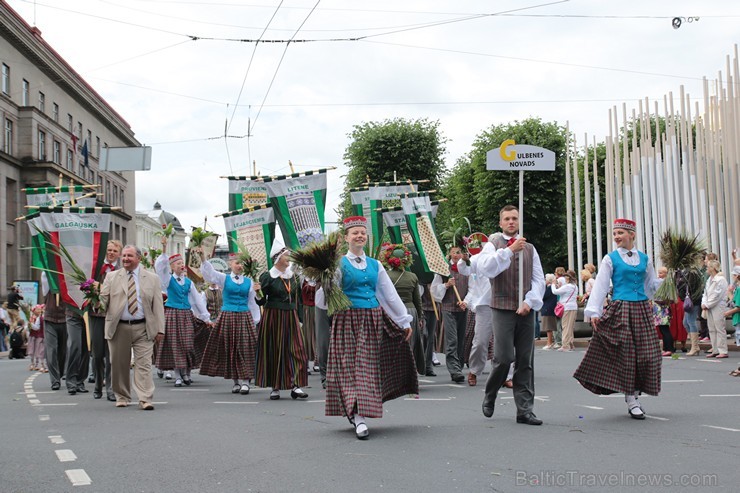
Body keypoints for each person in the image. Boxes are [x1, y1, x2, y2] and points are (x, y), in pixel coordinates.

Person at [324, 216, 417, 440]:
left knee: (366, 366)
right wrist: (323, 279)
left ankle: (359, 411)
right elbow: (324, 299)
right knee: (351, 367)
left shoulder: (375, 265)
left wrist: (403, 320)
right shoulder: (337, 265)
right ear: (346, 238)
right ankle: (357, 415)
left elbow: (388, 294)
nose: (359, 236)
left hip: (372, 318)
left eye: (362, 232)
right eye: (354, 232)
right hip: (347, 320)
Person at [574, 219, 662, 420]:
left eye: (620, 233)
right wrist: (594, 311)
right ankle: (631, 399)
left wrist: (668, 283)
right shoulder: (610, 258)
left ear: (632, 235)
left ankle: (635, 391)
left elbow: (651, 285)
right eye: (615, 234)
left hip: (642, 309)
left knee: (649, 355)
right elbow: (601, 285)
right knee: (626, 355)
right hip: (621, 308)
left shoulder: (645, 258)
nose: (616, 237)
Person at [476, 205, 545, 425]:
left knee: (525, 360)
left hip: (525, 309)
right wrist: (509, 250)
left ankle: (525, 409)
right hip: (501, 306)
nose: (511, 222)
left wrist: (530, 301)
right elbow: (487, 269)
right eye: (507, 218)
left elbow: (538, 279)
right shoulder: (492, 245)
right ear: (500, 223)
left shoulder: (530, 249)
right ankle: (491, 392)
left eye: (514, 218)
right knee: (504, 357)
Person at [99, 245, 165, 410]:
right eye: (124, 256)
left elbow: (158, 306)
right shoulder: (111, 277)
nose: (125, 259)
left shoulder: (152, 278)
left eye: (129, 256)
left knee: (143, 364)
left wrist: (160, 329)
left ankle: (145, 398)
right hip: (119, 327)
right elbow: (103, 302)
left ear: (139, 258)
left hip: (143, 327)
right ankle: (122, 396)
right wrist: (93, 299)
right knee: (120, 364)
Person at [198, 250, 261, 395]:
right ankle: (236, 382)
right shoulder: (224, 279)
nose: (239, 266)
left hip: (244, 316)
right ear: (230, 264)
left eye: (241, 264)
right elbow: (210, 274)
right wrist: (203, 257)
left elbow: (252, 302)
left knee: (246, 347)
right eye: (237, 263)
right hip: (228, 316)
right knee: (231, 348)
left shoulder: (249, 281)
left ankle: (246, 381)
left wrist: (255, 320)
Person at [255, 240, 308, 401]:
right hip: (274, 316)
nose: (289, 258)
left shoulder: (293, 277)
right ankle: (275, 386)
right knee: (275, 350)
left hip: (290, 316)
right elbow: (261, 302)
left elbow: (299, 299)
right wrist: (258, 293)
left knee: (297, 349)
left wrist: (300, 318)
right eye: (286, 256)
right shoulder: (268, 276)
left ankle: (296, 385)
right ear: (277, 258)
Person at [155, 238, 211, 388]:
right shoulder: (168, 281)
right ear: (172, 267)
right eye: (178, 264)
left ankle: (186, 372)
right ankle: (179, 375)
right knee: (175, 346)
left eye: (182, 263)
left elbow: (197, 300)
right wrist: (164, 248)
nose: (181, 266)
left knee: (187, 345)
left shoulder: (188, 282)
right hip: (172, 314)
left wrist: (205, 317)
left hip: (186, 315)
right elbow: (160, 268)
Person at [457, 248, 497, 387]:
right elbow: (465, 272)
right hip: (483, 306)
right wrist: (464, 260)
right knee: (480, 341)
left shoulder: (504, 257)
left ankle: (506, 375)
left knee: (504, 342)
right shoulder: (478, 259)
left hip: (503, 304)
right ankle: (474, 370)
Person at [383, 244, 425, 375]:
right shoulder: (413, 277)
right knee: (410, 343)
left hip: (391, 312)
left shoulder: (385, 275)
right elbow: (417, 300)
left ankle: (393, 372)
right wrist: (420, 316)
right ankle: (409, 373)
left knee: (392, 343)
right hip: (410, 311)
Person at [88, 239, 122, 401]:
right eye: (109, 250)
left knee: (111, 355)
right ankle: (97, 385)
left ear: (119, 254)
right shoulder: (96, 270)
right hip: (96, 315)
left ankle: (110, 388)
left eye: (114, 251)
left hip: (114, 317)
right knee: (97, 354)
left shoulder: (122, 271)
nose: (111, 253)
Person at [431, 245, 470, 383]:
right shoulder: (443, 270)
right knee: (452, 339)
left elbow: (472, 288)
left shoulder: (467, 270)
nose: (456, 255)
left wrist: (466, 301)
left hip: (462, 309)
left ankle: (458, 365)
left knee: (461, 338)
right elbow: (434, 291)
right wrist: (446, 285)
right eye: (453, 252)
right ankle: (454, 370)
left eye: (458, 252)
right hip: (448, 308)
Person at [40, 273, 67, 390]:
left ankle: (60, 373)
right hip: (50, 319)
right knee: (51, 350)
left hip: (65, 319)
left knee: (63, 351)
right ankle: (55, 380)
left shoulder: (66, 278)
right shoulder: (47, 278)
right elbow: (45, 274)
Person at [701, 260, 729, 359]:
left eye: (708, 267)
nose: (707, 268)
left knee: (719, 328)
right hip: (709, 306)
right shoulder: (709, 280)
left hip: (718, 306)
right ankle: (715, 349)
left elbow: (717, 295)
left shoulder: (721, 280)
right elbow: (705, 293)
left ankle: (723, 350)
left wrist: (707, 304)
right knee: (712, 328)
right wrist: (704, 303)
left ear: (713, 268)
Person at [551, 270, 578, 352]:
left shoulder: (567, 286)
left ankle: (565, 345)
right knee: (570, 326)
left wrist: (553, 284)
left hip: (567, 307)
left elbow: (555, 292)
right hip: (573, 306)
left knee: (565, 326)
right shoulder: (575, 286)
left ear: (568, 278)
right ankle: (570, 343)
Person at [540, 274, 558, 350]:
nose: (544, 280)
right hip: (550, 308)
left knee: (548, 327)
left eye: (545, 279)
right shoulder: (552, 287)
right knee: (549, 326)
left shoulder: (549, 288)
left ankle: (549, 342)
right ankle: (551, 342)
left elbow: (543, 296)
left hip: (548, 308)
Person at [28, 304, 47, 372]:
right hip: (36, 336)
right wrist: (30, 325)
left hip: (41, 336)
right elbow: (36, 327)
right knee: (35, 350)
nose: (39, 310)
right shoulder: (36, 318)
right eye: (38, 309)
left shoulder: (41, 318)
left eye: (40, 309)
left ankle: (40, 364)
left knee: (40, 351)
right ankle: (35, 364)